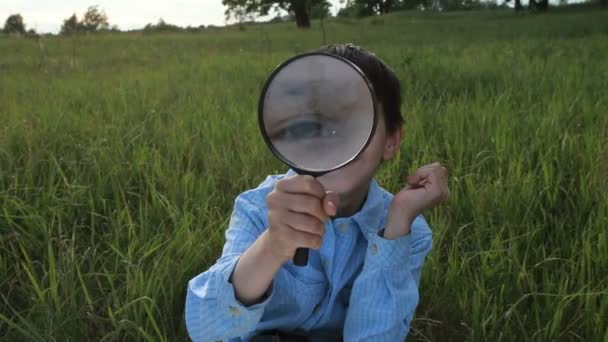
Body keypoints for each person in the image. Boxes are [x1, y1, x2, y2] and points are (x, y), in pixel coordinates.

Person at [185, 43, 449, 341]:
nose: (327, 140)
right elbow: (205, 331)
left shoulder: (408, 231)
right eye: (305, 125)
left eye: (351, 121)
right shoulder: (258, 209)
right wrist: (272, 245)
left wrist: (397, 223)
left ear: (391, 139)